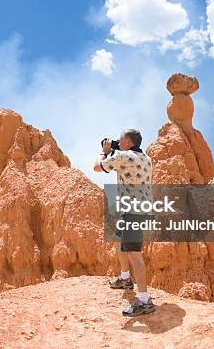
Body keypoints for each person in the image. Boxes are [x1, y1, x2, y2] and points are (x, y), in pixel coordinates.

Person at [93, 128, 155, 316]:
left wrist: (104, 151)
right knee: (122, 243)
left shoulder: (123, 156)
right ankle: (125, 278)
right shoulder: (146, 158)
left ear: (128, 142)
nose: (117, 143)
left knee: (135, 254)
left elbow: (97, 167)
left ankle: (144, 300)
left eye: (120, 140)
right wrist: (114, 150)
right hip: (140, 209)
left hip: (133, 211)